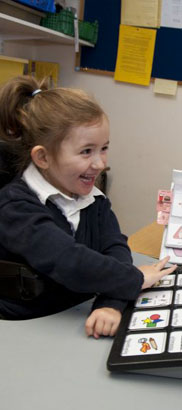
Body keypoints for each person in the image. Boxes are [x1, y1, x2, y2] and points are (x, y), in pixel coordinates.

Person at [0, 75, 176, 338]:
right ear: (43, 157)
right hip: (27, 331)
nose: (100, 163)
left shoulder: (93, 198)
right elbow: (68, 260)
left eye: (104, 148)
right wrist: (135, 280)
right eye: (86, 151)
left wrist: (110, 304)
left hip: (74, 318)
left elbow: (114, 247)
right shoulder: (15, 207)